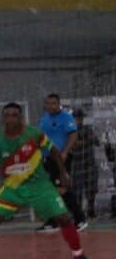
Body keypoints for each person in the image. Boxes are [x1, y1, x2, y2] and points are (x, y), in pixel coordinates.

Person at [0, 102, 94, 259]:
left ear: (21, 118)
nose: (10, 119)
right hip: (13, 188)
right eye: (7, 115)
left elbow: (53, 152)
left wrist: (63, 173)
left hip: (40, 186)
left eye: (14, 115)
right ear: (3, 118)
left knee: (64, 218)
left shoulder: (34, 134)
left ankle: (79, 256)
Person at [37, 93, 87, 231]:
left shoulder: (66, 117)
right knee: (49, 190)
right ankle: (52, 221)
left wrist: (65, 152)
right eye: (48, 103)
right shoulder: (45, 118)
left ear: (59, 104)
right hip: (47, 158)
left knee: (62, 188)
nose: (50, 106)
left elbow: (73, 134)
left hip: (60, 158)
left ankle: (80, 219)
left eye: (53, 103)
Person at [68, 108, 100, 219]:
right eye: (76, 117)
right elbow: (72, 145)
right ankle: (78, 213)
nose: (79, 119)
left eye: (80, 117)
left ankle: (91, 210)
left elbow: (97, 141)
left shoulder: (88, 129)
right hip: (76, 164)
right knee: (77, 190)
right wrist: (81, 141)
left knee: (92, 188)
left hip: (89, 163)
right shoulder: (69, 131)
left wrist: (84, 140)